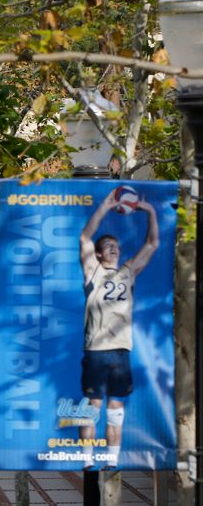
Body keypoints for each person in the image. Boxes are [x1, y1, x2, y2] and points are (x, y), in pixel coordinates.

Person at [79, 186, 159, 469]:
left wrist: (150, 211)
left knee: (116, 411)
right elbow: (85, 237)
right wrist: (105, 206)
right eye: (109, 246)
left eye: (117, 245)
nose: (115, 247)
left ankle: (111, 463)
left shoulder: (128, 272)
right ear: (100, 254)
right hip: (97, 350)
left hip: (121, 351)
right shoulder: (94, 272)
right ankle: (87, 462)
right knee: (93, 408)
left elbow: (152, 244)